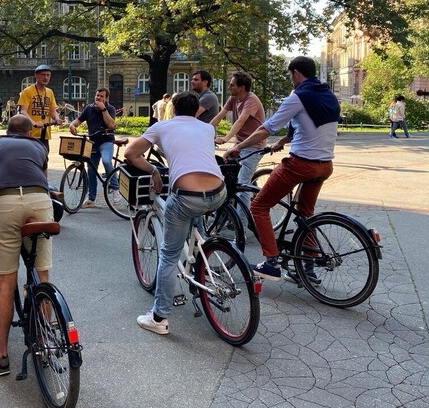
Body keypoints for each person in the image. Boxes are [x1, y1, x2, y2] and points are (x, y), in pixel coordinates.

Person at [224, 56, 340, 285]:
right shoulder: (327, 94)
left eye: (290, 75)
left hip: (301, 165)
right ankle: (308, 267)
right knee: (306, 215)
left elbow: (266, 128)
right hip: (325, 165)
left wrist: (237, 147)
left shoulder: (297, 96)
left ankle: (271, 262)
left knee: (259, 205)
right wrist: (284, 141)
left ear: (296, 73)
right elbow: (311, 124)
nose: (291, 79)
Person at [124, 92, 226, 335]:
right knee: (197, 211)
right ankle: (199, 259)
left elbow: (130, 153)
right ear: (196, 110)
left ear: (173, 108)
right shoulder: (207, 129)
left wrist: (153, 170)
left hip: (186, 197)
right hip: (219, 192)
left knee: (169, 255)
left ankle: (159, 317)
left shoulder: (162, 126)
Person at [0, 114, 55, 376]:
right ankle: (45, 343)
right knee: (42, 273)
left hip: (5, 202)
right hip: (39, 202)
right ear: (29, 132)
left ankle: (0, 356)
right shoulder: (38, 147)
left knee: (6, 280)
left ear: (7, 131)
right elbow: (41, 177)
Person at [210, 71, 266, 218]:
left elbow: (240, 121)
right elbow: (220, 115)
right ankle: (225, 215)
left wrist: (226, 138)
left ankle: (242, 224)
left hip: (254, 146)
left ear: (241, 87)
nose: (229, 87)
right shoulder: (233, 99)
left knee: (242, 185)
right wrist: (205, 130)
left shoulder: (251, 100)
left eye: (232, 85)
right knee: (225, 177)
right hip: (240, 144)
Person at [68, 87, 120, 208]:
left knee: (107, 161)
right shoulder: (89, 108)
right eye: (97, 95)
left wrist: (104, 110)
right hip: (92, 142)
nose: (98, 98)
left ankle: (115, 189)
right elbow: (78, 120)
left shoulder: (110, 109)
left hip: (106, 141)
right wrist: (72, 125)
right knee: (91, 169)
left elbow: (111, 125)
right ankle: (91, 199)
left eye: (101, 96)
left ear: (106, 98)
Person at [18, 64, 63, 151]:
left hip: (45, 134)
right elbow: (23, 111)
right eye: (43, 75)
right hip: (30, 134)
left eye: (48, 75)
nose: (46, 78)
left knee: (44, 159)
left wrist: (57, 118)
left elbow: (52, 110)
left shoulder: (50, 92)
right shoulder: (27, 91)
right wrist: (34, 123)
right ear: (36, 75)